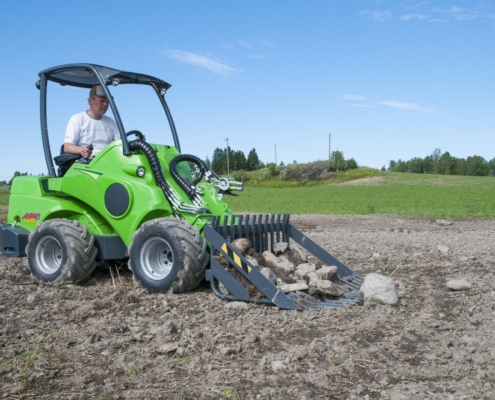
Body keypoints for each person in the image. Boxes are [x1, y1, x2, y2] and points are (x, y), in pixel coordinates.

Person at [64, 85, 120, 159]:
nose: (105, 104)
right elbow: (67, 147)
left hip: (108, 160)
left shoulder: (111, 122)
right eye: (102, 101)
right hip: (87, 162)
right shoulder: (77, 119)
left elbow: (119, 144)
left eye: (107, 102)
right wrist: (82, 150)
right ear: (91, 101)